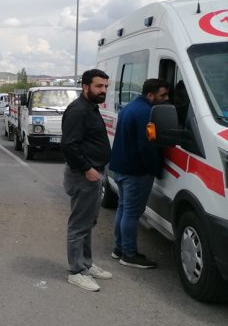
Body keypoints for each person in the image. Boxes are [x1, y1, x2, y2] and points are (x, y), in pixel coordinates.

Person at [61, 69, 113, 292]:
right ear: (85, 87)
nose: (103, 91)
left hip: (94, 173)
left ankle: (86, 264)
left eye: (105, 87)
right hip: (84, 175)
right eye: (99, 86)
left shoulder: (91, 108)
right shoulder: (78, 111)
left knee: (88, 223)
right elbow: (68, 145)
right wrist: (87, 168)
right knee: (79, 225)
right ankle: (76, 272)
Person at [110, 78, 169, 269]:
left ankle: (119, 248)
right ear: (150, 95)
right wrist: (155, 169)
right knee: (132, 213)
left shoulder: (130, 107)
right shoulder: (146, 113)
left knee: (123, 208)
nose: (166, 99)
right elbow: (147, 146)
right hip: (135, 172)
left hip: (120, 167)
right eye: (163, 95)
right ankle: (129, 254)